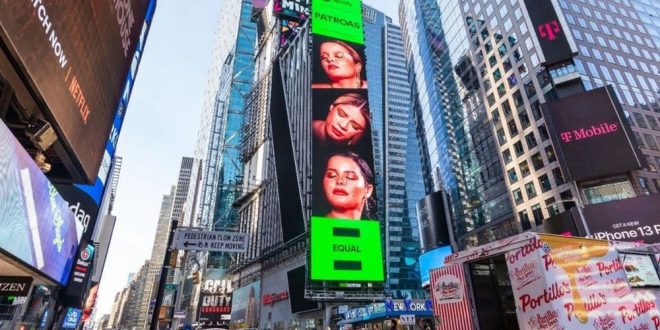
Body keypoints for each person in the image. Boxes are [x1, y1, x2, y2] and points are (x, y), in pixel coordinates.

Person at [322, 151, 375, 220]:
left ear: (367, 190)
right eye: (332, 175)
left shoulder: (375, 229)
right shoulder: (313, 227)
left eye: (350, 177)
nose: (339, 181)